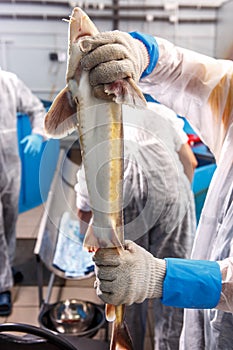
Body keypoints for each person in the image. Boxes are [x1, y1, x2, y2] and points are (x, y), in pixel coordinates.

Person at [77, 31, 233, 349]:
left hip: (129, 204)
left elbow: (88, 179)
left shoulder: (100, 124)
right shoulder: (165, 114)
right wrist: (143, 52)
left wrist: (163, 276)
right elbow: (185, 73)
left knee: (130, 288)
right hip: (175, 202)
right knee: (164, 306)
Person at [75, 100, 197, 350]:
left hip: (124, 195)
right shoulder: (161, 112)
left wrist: (85, 229)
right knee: (174, 278)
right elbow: (191, 162)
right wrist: (180, 199)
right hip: (172, 191)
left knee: (128, 283)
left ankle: (129, 344)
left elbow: (88, 188)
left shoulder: (100, 122)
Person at [0, 69, 46, 316]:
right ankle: (2, 286)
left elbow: (36, 108)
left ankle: (4, 268)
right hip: (7, 165)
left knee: (9, 222)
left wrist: (38, 134)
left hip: (9, 166)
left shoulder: (8, 81)